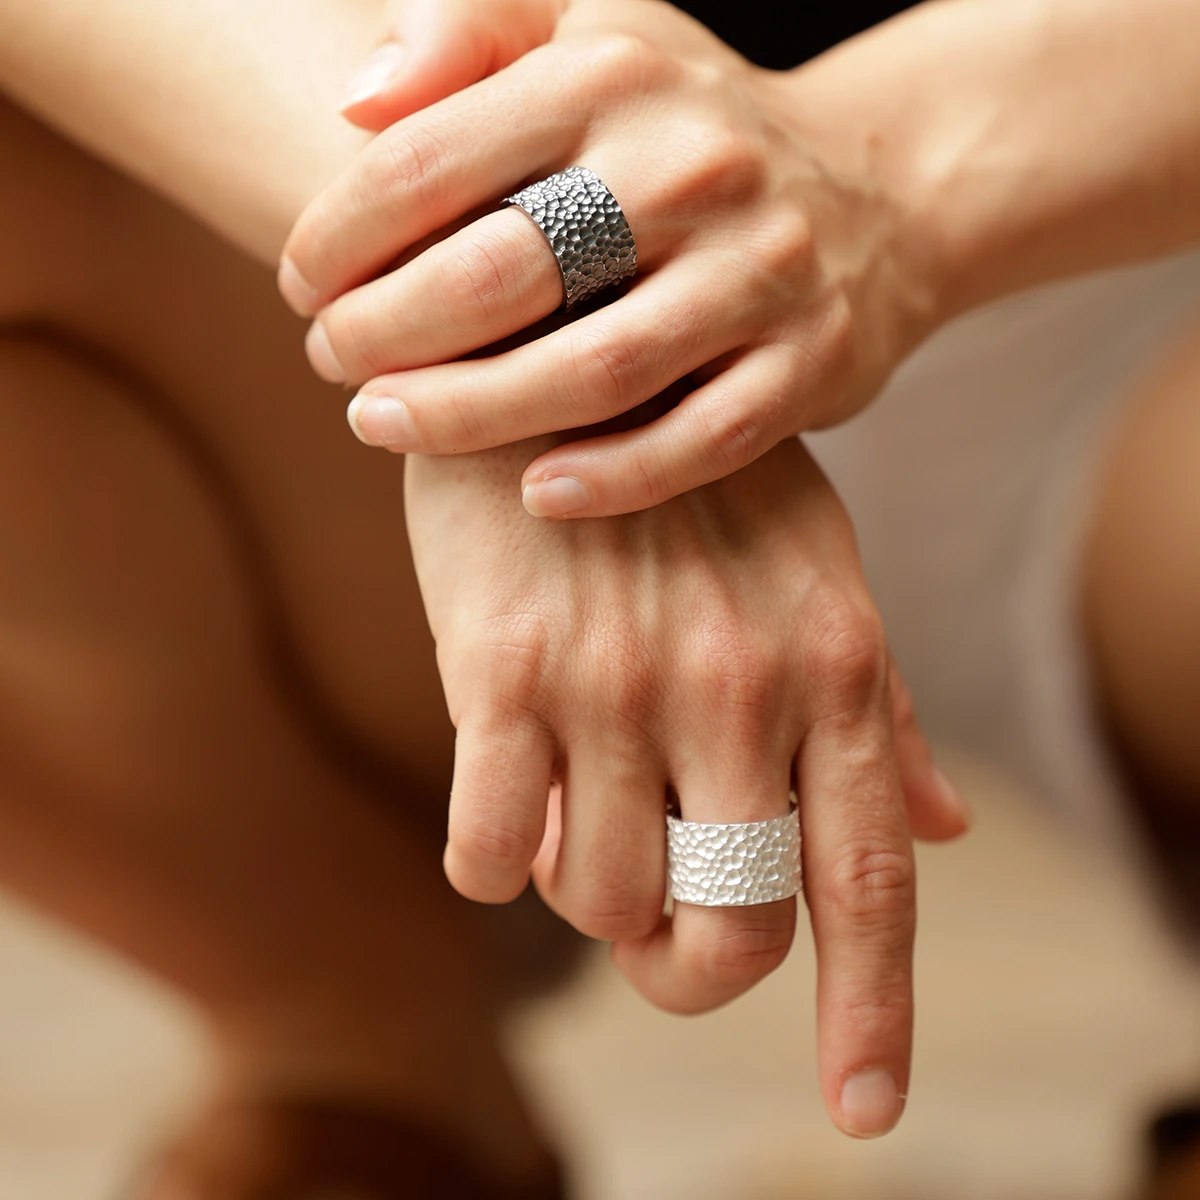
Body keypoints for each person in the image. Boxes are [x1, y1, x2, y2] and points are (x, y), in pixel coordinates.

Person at [0, 1, 1196, 1197]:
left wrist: (867, 177)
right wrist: (528, 333)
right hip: (297, 189)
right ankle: (361, 1032)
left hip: (1113, 263)